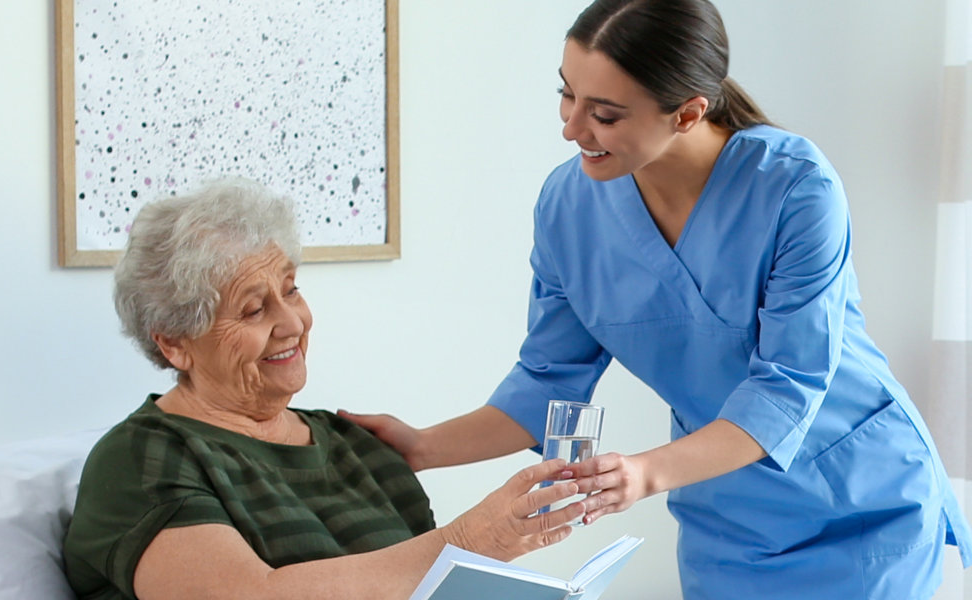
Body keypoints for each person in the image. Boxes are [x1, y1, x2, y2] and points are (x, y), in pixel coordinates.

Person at [339, 1, 972, 598]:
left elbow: (786, 389)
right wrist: (421, 447)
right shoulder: (569, 207)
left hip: (860, 506)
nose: (570, 128)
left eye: (604, 114)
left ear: (688, 112)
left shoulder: (795, 188)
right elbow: (545, 384)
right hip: (722, 513)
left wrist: (642, 474)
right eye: (565, 93)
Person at [62, 177, 586, 600]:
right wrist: (471, 542)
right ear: (175, 343)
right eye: (253, 309)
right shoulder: (142, 458)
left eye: (291, 290)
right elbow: (252, 596)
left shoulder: (358, 448)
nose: (292, 322)